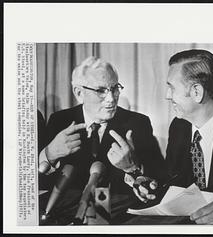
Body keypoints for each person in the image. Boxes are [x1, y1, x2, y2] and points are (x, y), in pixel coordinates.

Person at [130, 49, 213, 224]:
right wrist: (149, 184)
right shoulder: (179, 127)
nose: (167, 96)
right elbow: (174, 182)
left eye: (171, 87)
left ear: (196, 92)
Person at [38, 56, 165, 224]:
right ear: (79, 93)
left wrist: (133, 169)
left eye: (115, 88)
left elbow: (158, 179)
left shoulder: (137, 123)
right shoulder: (59, 120)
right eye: (100, 90)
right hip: (65, 216)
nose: (111, 98)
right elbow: (41, 183)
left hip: (119, 219)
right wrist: (50, 154)